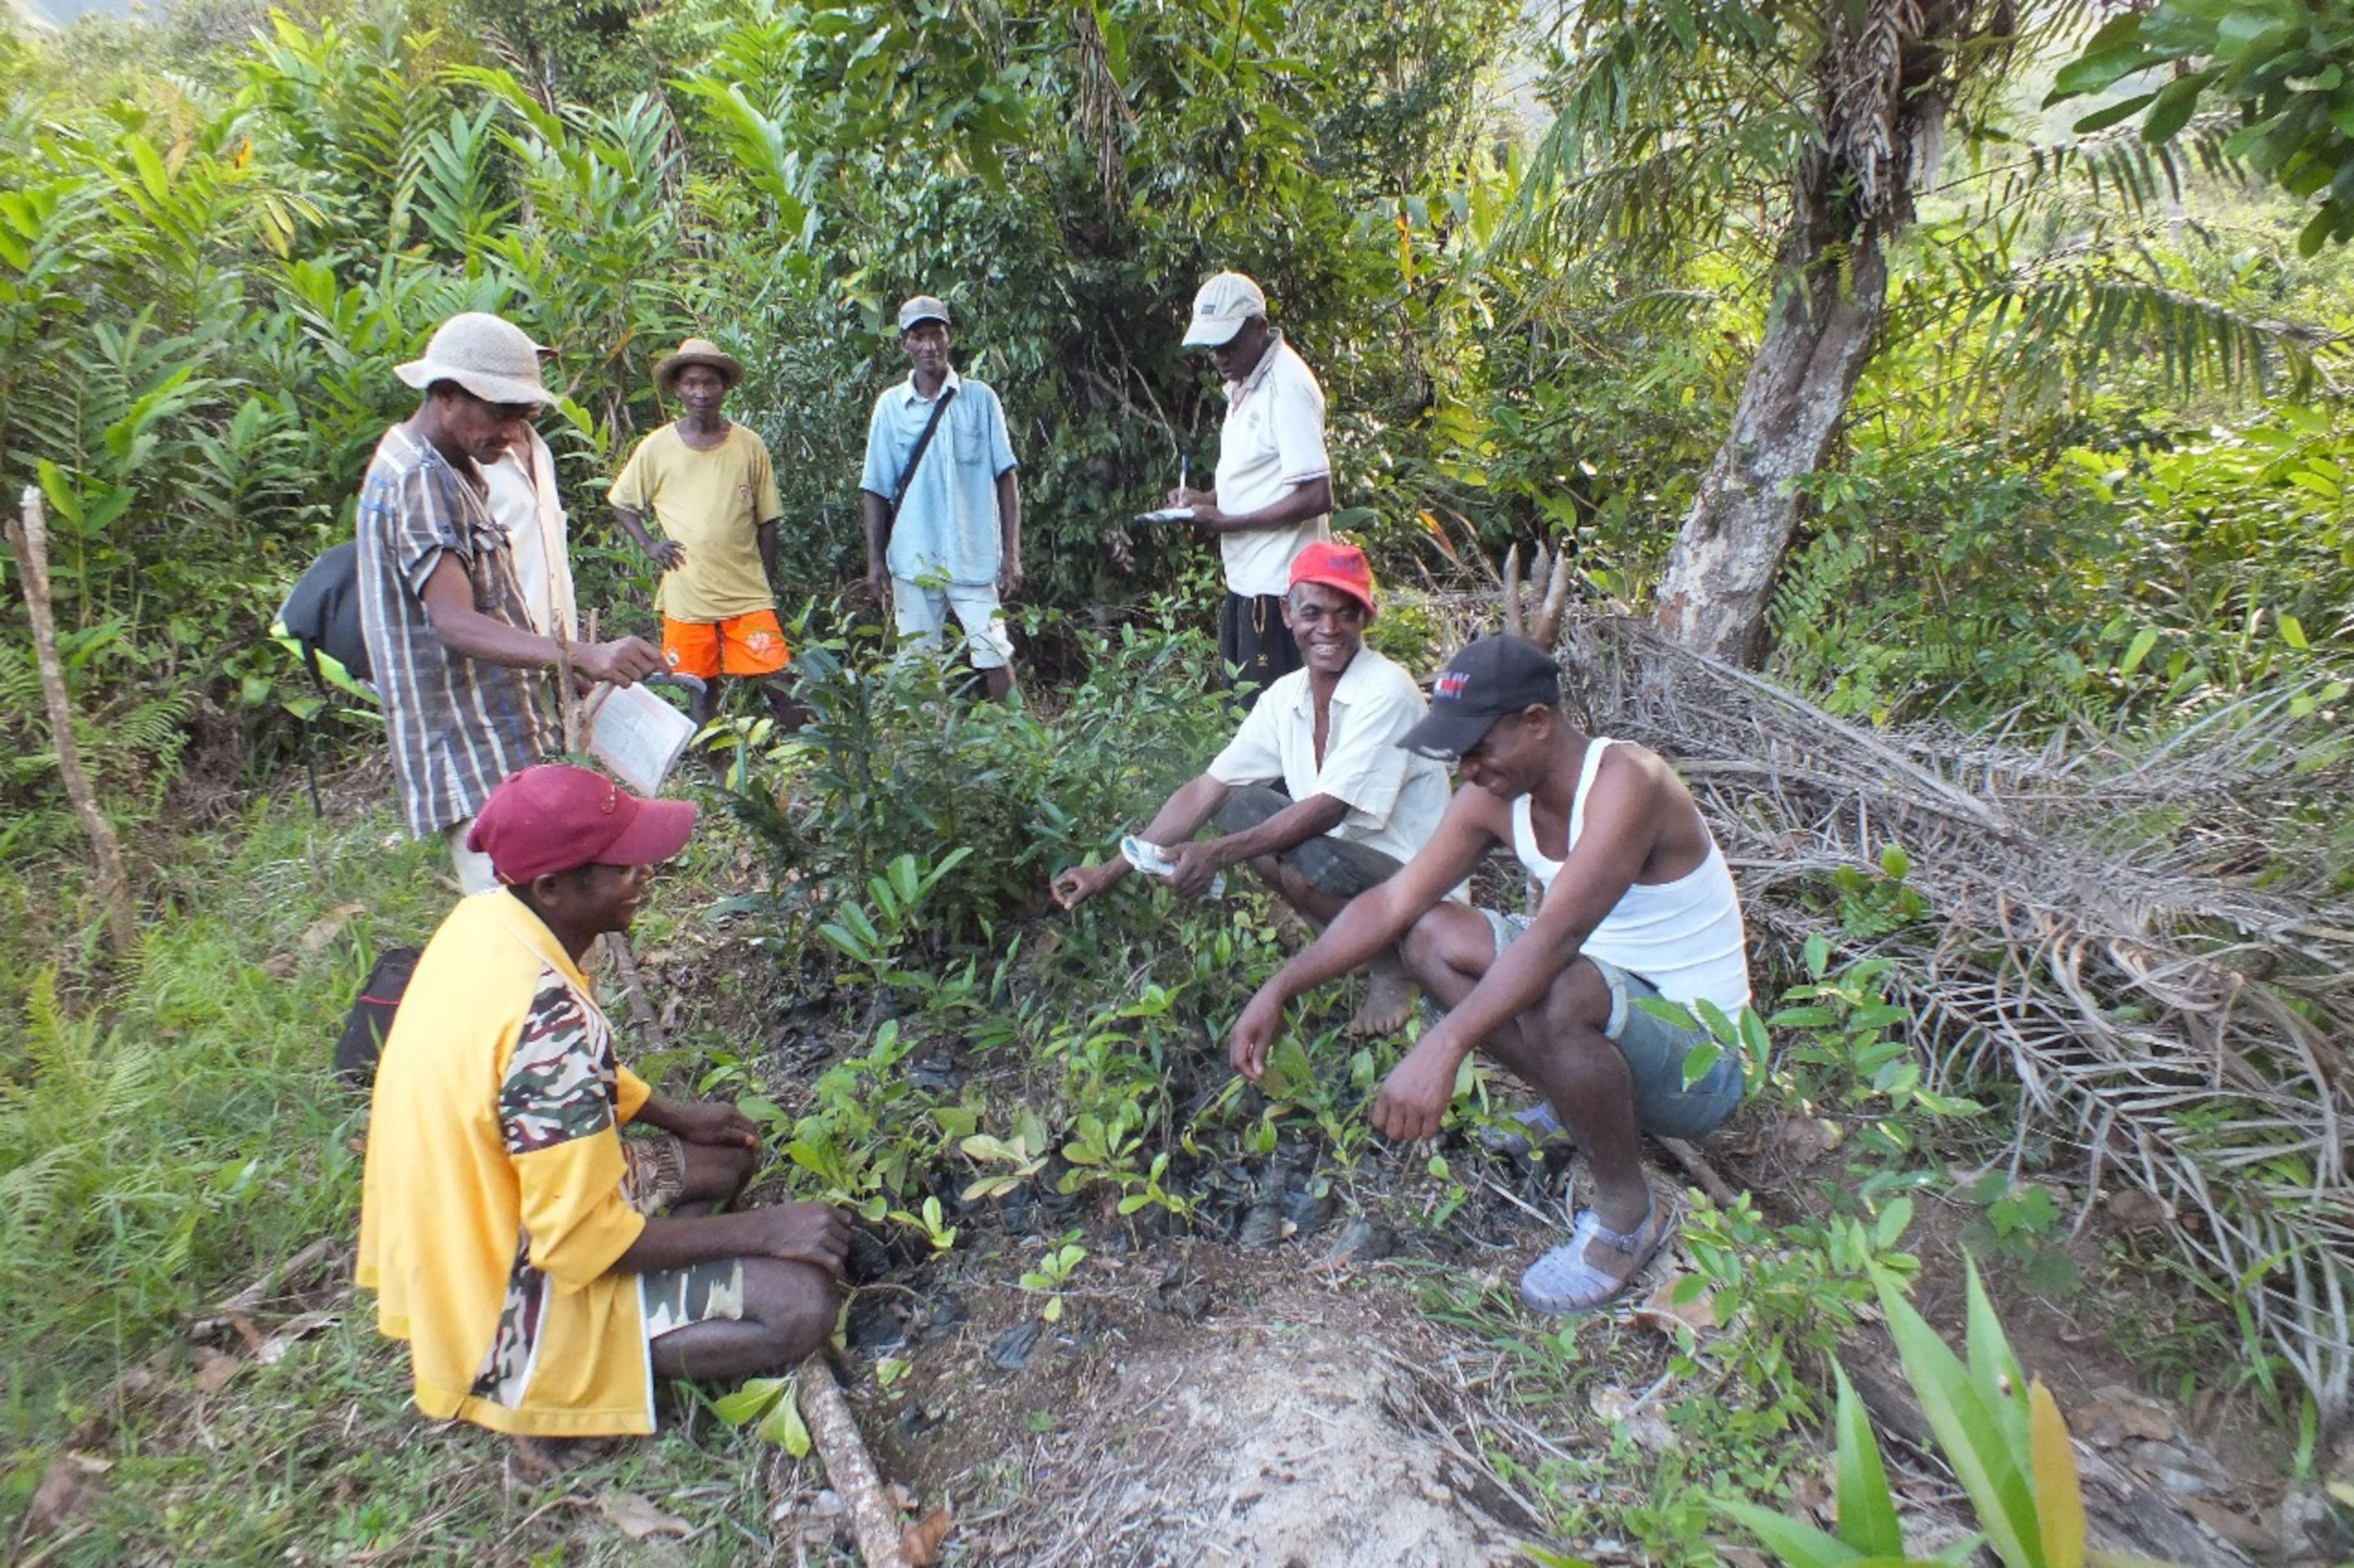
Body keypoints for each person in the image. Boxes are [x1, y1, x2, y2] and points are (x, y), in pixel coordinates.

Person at [1227, 634, 1752, 1313]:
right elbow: (1392, 902)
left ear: (1536, 722)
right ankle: (1574, 1101)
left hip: (1699, 1067)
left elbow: (1558, 936)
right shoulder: (1488, 799)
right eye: (1458, 753)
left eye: (1478, 748)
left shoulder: (1629, 782)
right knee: (1432, 936)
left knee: (1558, 984)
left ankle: (1626, 1214)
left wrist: (1441, 1045)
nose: (1467, 768)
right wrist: (1280, 986)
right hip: (1610, 1007)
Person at [357, 764, 847, 1453]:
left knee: (720, 1158)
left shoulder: (488, 919)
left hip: (479, 1218)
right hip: (500, 1298)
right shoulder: (545, 1022)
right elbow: (584, 1243)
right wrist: (768, 1229)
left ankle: (654, 1290)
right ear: (553, 887)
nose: (643, 872)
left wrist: (670, 1115)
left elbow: (548, 1081)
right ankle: (545, 1394)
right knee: (800, 1306)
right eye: (621, 865)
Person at [1053, 542, 1450, 1035]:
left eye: (1346, 615)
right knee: (1242, 806)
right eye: (1313, 613)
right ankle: (1350, 941)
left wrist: (1215, 856)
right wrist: (1111, 869)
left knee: (1300, 859)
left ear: (1366, 619)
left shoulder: (1386, 688)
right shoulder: (1287, 696)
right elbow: (1210, 788)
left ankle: (1392, 959)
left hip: (1415, 883)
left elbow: (1328, 811)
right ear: (1287, 613)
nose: (1329, 629)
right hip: (1349, 861)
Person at [356, 312, 664, 894]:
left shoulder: (453, 466)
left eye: (522, 416)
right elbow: (455, 623)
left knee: (549, 925)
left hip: (500, 743)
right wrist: (579, 654)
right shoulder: (420, 478)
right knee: (524, 943)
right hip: (474, 754)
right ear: (447, 395)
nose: (511, 431)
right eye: (501, 413)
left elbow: (493, 601)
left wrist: (561, 667)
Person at [610, 338, 798, 731]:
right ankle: (715, 768)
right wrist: (649, 545)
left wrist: (765, 578)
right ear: (678, 388)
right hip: (688, 591)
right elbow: (622, 501)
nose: (700, 393)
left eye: (709, 383)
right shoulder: (658, 447)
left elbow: (768, 520)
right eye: (692, 383)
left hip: (746, 590)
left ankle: (808, 759)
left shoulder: (749, 444)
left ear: (723, 387)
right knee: (699, 686)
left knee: (778, 677)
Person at [1165, 271, 1332, 708]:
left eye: (1229, 345)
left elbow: (1317, 494)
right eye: (1213, 347)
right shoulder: (1244, 382)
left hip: (1278, 591)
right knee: (1242, 715)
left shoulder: (1287, 387)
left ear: (1259, 328)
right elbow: (1262, 477)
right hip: (1247, 584)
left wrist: (1227, 522)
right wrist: (1205, 501)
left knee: (1272, 719)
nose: (1219, 357)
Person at [859, 295, 1023, 702]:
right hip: (913, 560)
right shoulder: (890, 408)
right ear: (905, 345)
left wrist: (1012, 554)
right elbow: (875, 488)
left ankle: (1017, 744)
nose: (930, 345)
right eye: (919, 336)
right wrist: (875, 561)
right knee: (918, 664)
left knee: (994, 653)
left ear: (949, 338)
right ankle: (926, 750)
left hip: (974, 557)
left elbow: (1006, 478)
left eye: (937, 334)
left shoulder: (981, 399)